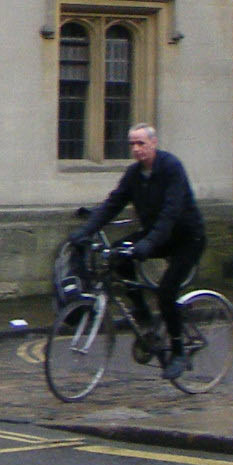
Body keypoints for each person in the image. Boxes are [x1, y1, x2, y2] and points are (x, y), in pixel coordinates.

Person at [64, 123, 207, 380]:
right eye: (132, 144)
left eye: (141, 143)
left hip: (187, 237)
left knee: (166, 293)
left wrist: (148, 244)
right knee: (119, 256)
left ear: (153, 143)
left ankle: (178, 353)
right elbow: (113, 204)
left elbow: (170, 213)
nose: (136, 149)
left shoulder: (171, 168)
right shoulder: (134, 174)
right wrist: (86, 230)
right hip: (157, 235)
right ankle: (144, 317)